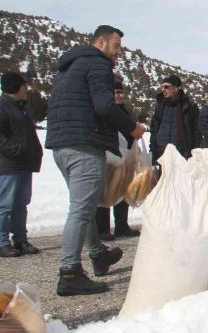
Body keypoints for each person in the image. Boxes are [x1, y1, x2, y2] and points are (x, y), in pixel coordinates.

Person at [46, 25, 146, 296]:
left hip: (61, 145)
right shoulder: (98, 64)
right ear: (100, 42)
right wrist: (131, 128)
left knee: (85, 206)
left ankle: (97, 252)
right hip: (84, 144)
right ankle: (70, 273)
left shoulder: (68, 67)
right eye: (116, 47)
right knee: (80, 209)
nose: (118, 54)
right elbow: (104, 105)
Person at [0, 72, 42, 257]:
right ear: (17, 87)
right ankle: (2, 241)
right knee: (6, 204)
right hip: (9, 165)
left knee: (21, 203)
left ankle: (20, 239)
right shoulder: (3, 107)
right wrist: (16, 150)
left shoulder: (20, 108)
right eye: (24, 85)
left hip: (24, 164)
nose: (26, 89)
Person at [96, 80, 140, 240]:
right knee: (105, 192)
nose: (119, 95)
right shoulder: (104, 110)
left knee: (123, 190)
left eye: (121, 92)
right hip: (107, 155)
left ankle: (122, 226)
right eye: (116, 92)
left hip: (124, 156)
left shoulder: (124, 112)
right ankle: (102, 229)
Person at [149, 74, 201, 162]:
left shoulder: (189, 106)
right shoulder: (160, 106)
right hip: (161, 153)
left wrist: (194, 151)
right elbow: (154, 129)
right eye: (162, 87)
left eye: (166, 87)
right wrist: (153, 147)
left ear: (176, 88)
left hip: (181, 154)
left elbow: (197, 130)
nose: (163, 90)